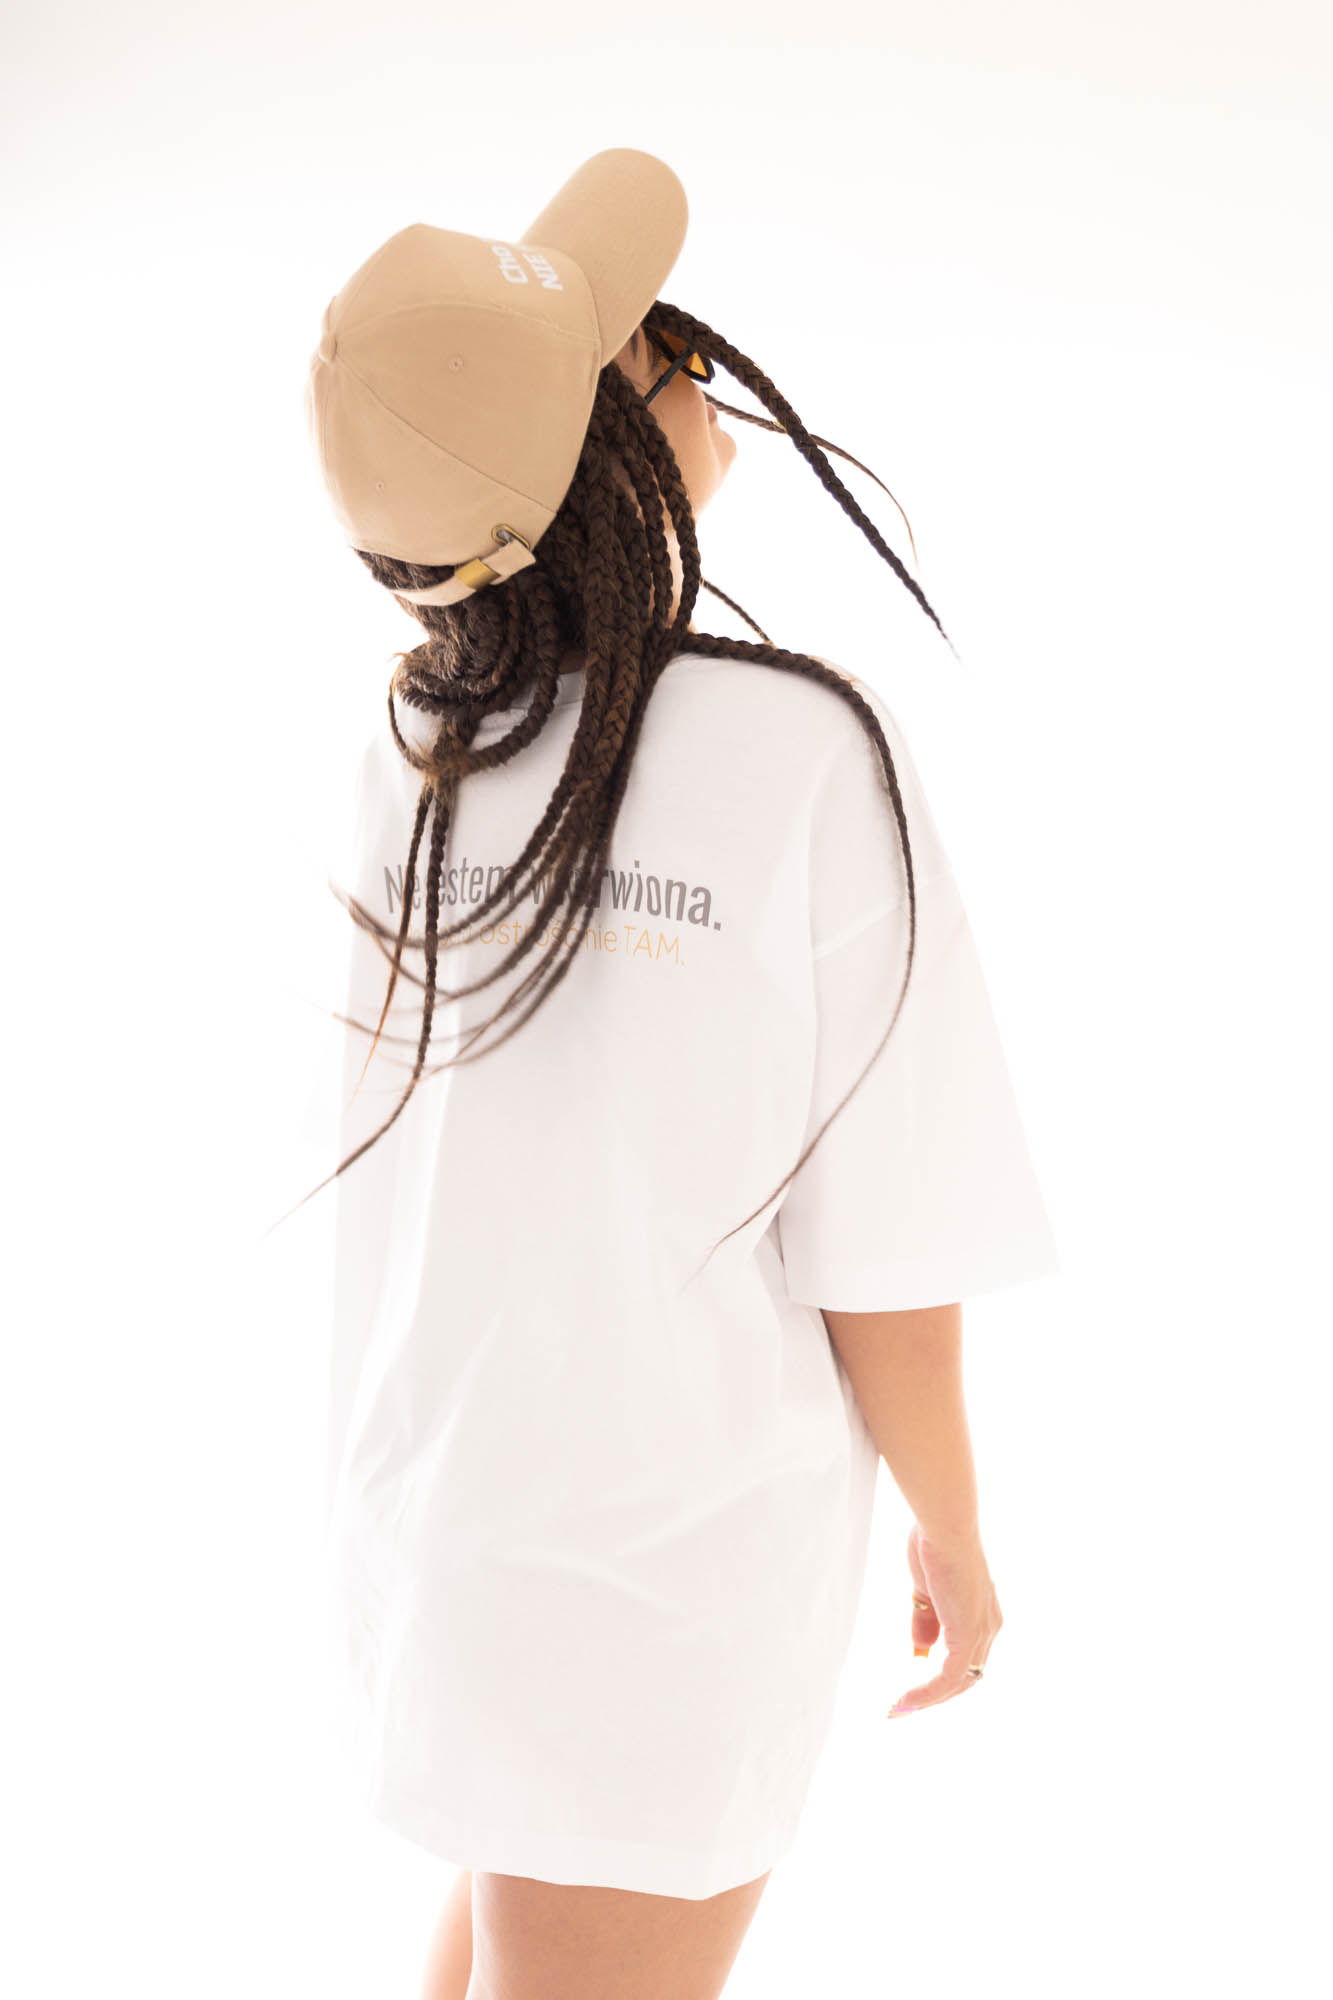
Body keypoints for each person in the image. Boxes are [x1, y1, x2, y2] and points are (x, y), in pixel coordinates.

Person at [294, 147, 1061, 2000]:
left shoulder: (418, 745)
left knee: (501, 1941)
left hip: (451, 1524)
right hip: (664, 1566)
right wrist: (956, 1530)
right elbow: (882, 1240)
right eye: (659, 357)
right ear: (602, 469)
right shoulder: (794, 753)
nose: (699, 376)